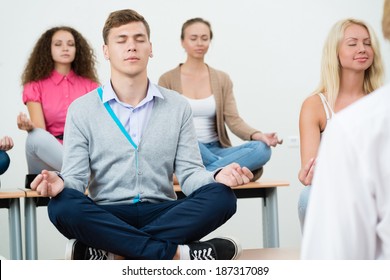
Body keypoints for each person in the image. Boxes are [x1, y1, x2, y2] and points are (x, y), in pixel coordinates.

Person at [30, 9, 254, 260]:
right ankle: (179, 254)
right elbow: (76, 179)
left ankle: (113, 252)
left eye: (139, 39)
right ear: (106, 51)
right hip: (107, 214)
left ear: (150, 48)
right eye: (121, 40)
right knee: (62, 205)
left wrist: (217, 176)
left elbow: (190, 174)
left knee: (222, 197)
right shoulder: (82, 110)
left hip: (163, 211)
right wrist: (59, 183)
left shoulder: (177, 106)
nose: (131, 46)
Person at [301, 1, 390, 259]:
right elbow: (309, 168)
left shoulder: (380, 106)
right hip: (333, 191)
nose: (362, 49)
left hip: (376, 194)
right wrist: (307, 174)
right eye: (352, 43)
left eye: (367, 42)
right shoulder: (315, 105)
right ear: (335, 52)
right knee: (309, 196)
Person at [159, 18, 282, 182]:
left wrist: (258, 135)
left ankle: (204, 173)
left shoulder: (222, 79)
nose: (199, 43)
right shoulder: (167, 80)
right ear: (183, 42)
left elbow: (234, 120)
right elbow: (167, 127)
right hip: (187, 149)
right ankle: (228, 169)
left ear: (210, 41)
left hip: (217, 150)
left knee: (262, 149)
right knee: (186, 137)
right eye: (193, 38)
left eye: (205, 38)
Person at [17, 26, 99, 174]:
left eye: (70, 44)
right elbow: (40, 132)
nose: (65, 48)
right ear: (48, 49)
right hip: (50, 158)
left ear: (77, 50)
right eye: (58, 44)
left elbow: (96, 131)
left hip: (81, 153)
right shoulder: (35, 86)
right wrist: (30, 127)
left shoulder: (91, 86)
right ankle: (84, 175)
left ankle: (79, 173)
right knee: (34, 137)